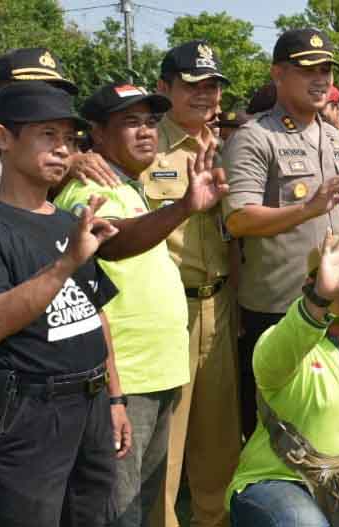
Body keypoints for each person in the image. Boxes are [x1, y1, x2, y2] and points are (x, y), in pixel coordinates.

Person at [0, 47, 101, 527]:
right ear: (4, 133)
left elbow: (92, 310)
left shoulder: (62, 211)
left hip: (81, 400)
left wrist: (111, 397)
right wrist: (66, 262)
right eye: (48, 134)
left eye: (68, 137)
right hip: (20, 396)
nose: (62, 147)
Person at [55, 82, 228, 527]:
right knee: (118, 508)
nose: (146, 132)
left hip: (157, 372)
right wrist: (185, 207)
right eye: (130, 123)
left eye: (151, 122)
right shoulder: (87, 189)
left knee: (142, 502)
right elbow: (111, 242)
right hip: (126, 378)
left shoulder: (130, 188)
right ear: (96, 133)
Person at [223, 27, 339, 436]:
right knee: (274, 426)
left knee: (326, 416)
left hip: (333, 299)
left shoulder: (336, 139)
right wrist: (305, 209)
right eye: (308, 70)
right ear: (278, 74)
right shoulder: (255, 137)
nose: (321, 80)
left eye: (327, 70)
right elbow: (238, 218)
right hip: (279, 306)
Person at [226, 223, 339, 527]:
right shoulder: (280, 338)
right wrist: (318, 299)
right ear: (312, 283)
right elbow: (276, 358)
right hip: (281, 479)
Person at [146, 40, 242, 527]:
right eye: (192, 85)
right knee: (167, 440)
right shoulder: (144, 146)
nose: (205, 95)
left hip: (220, 303)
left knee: (219, 437)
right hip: (168, 309)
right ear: (164, 88)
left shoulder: (231, 146)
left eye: (213, 86)